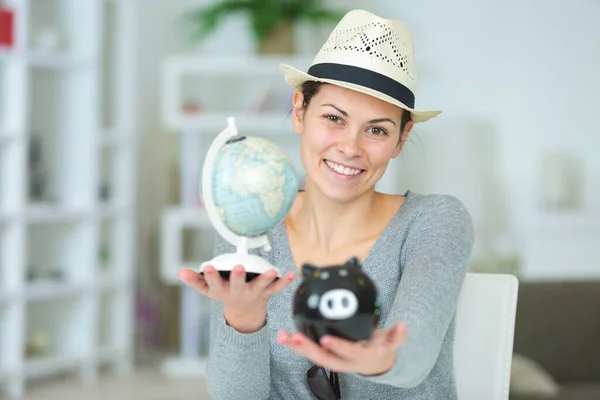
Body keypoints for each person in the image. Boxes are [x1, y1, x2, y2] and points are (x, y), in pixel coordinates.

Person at [178, 9, 474, 400]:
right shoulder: (251, 221)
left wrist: (378, 357)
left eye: (377, 130)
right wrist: (244, 319)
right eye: (334, 118)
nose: (350, 147)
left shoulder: (434, 221)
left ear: (402, 139)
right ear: (300, 110)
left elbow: (414, 351)